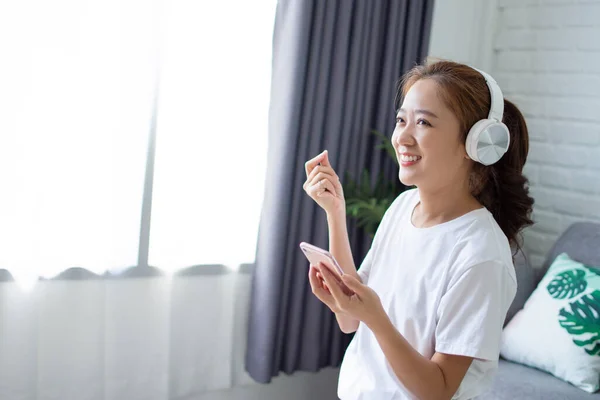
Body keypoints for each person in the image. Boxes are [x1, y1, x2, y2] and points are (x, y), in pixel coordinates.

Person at [303, 59, 534, 400]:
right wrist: (335, 213)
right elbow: (351, 322)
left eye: (423, 122)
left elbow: (437, 390)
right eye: (401, 120)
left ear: (477, 143)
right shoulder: (402, 208)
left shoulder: (481, 255)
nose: (402, 137)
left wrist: (377, 319)